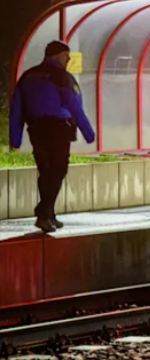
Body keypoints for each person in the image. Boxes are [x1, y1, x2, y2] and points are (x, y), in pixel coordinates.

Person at [8, 41, 95, 233]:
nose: (69, 60)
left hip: (36, 130)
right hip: (59, 130)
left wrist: (15, 139)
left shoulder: (27, 76)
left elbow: (17, 110)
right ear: (57, 56)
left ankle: (49, 214)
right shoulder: (62, 77)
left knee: (45, 169)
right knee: (57, 170)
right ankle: (43, 212)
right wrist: (88, 133)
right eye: (66, 56)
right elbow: (75, 106)